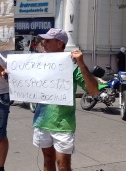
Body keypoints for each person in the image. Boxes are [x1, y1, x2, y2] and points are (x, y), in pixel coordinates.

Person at [32, 28, 99, 171]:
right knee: (48, 161)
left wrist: (81, 63)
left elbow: (93, 90)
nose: (43, 43)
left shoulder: (72, 65)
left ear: (60, 44)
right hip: (42, 121)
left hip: (63, 124)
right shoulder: (37, 62)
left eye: (48, 41)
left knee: (63, 166)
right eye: (44, 40)